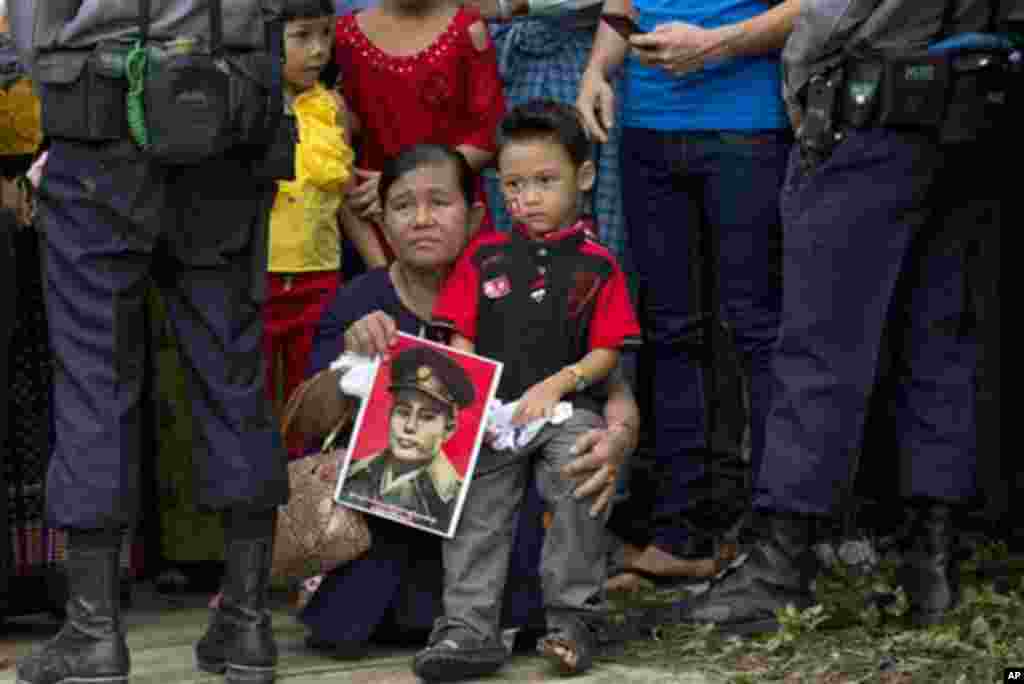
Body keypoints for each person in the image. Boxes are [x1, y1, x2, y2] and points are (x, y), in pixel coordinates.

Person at [666, 0, 1014, 635]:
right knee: (940, 338)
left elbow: (835, 16)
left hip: (874, 103)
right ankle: (929, 568)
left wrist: (804, 77)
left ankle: (781, 566)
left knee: (820, 346)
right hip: (973, 104)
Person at [7, 2, 294, 683]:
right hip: (225, 119)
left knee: (93, 374)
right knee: (232, 369)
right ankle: (248, 624)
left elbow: (32, 36)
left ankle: (94, 631)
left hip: (98, 127)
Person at [286, 143, 640, 660]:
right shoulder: (361, 300)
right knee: (340, 634)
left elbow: (615, 392)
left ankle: (507, 623)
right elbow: (309, 422)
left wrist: (616, 444)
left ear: (475, 215)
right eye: (404, 206)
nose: (422, 219)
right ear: (382, 221)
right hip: (390, 518)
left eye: (440, 203)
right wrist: (349, 360)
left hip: (500, 508)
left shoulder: (524, 286)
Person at [412, 101, 641, 681]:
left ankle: (573, 621)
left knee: (579, 476)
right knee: (473, 506)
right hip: (494, 412)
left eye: (545, 181)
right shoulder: (483, 252)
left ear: (584, 178)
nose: (527, 198)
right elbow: (458, 331)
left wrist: (558, 383)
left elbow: (607, 350)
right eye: (514, 185)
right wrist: (470, 396)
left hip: (569, 411)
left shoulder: (599, 265)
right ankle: (468, 630)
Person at [575, 0, 799, 586]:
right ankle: (682, 533)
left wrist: (719, 43)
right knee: (671, 332)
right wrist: (597, 71)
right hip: (647, 131)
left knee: (756, 332)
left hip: (746, 127)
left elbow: (815, 8)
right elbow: (623, 6)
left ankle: (775, 539)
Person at [333, 0, 506, 264]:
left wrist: (400, 181)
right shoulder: (344, 36)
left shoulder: (466, 30)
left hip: (451, 213)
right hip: (376, 217)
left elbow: (487, 134)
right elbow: (333, 131)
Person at [468, 0, 629, 262]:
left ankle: (598, 294)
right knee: (511, 196)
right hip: (505, 67)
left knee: (587, 206)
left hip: (584, 66)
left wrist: (506, 6)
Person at [264, 0, 357, 423]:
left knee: (314, 389)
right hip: (260, 275)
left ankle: (307, 479)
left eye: (325, 34)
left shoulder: (332, 109)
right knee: (259, 392)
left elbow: (346, 197)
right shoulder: (252, 106)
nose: (318, 50)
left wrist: (380, 268)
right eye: (301, 36)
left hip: (319, 272)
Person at [341, 346, 474, 534]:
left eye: (427, 417)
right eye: (403, 412)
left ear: (449, 429)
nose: (409, 426)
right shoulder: (351, 473)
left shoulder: (457, 501)